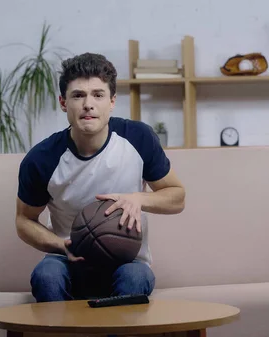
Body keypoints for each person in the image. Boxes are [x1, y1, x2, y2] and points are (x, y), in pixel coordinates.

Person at [15, 52, 186, 302]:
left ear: (112, 101)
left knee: (135, 279)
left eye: (98, 94)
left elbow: (178, 197)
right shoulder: (42, 158)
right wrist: (60, 245)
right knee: (47, 276)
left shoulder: (138, 138)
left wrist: (137, 199)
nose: (88, 104)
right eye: (78, 95)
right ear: (63, 102)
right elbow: (23, 220)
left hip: (127, 262)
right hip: (67, 259)